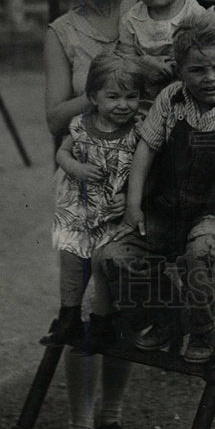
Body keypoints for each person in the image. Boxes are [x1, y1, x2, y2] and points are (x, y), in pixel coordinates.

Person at [94, 13, 215, 362]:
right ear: (179, 69)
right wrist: (133, 206)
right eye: (197, 70)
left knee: (203, 256)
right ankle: (166, 315)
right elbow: (146, 146)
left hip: (213, 218)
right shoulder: (171, 100)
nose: (210, 78)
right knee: (115, 257)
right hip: (168, 211)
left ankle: (201, 327)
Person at [43, 0, 137, 429]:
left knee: (120, 297)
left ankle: (113, 417)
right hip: (83, 182)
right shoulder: (62, 32)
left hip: (140, 174)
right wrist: (105, 92)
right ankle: (79, 424)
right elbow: (54, 115)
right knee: (78, 305)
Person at [47, 53, 143, 352]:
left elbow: (144, 172)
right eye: (113, 96)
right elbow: (62, 154)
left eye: (131, 96)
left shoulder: (138, 132)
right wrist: (76, 168)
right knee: (71, 260)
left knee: (103, 265)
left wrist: (128, 196)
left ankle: (103, 321)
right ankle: (69, 314)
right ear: (93, 97)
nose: (123, 104)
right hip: (79, 209)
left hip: (111, 215)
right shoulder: (80, 125)